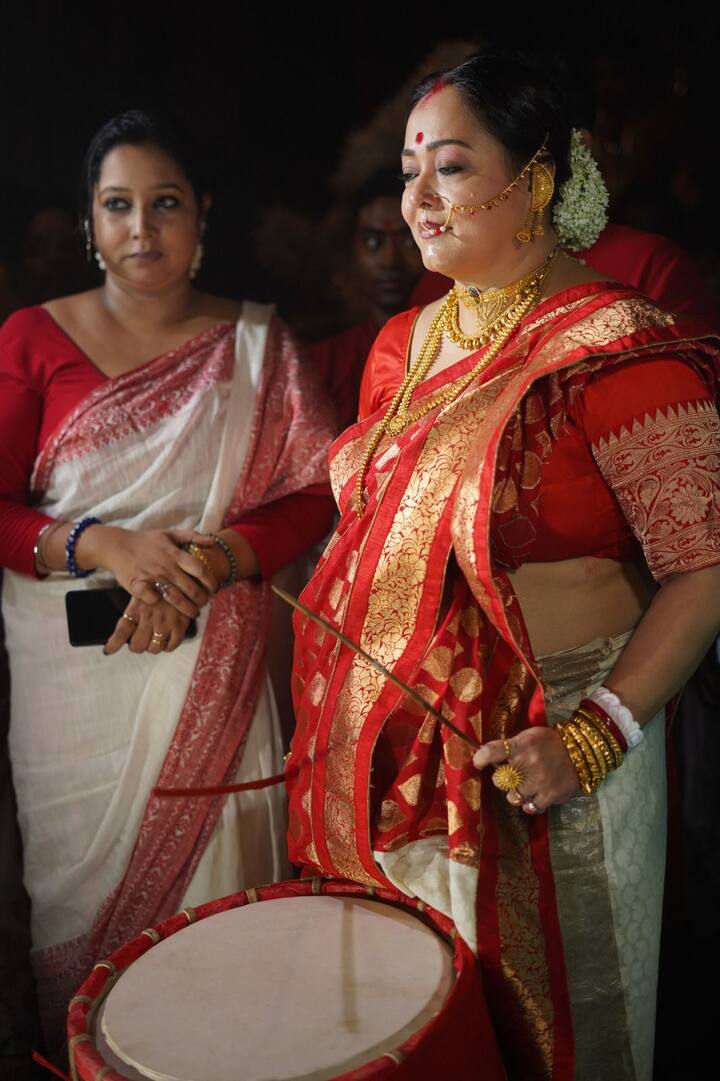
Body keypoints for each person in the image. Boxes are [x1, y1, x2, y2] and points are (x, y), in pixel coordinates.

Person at [286, 49, 720, 1081]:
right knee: (423, 1031)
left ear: (534, 178)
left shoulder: (619, 349)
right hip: (405, 756)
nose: (415, 200)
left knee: (569, 1036)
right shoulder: (407, 342)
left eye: (447, 166)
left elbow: (706, 572)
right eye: (406, 169)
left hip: (556, 750)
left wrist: (594, 734)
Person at [0, 109, 336, 1048]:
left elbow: (318, 491)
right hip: (75, 699)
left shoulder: (260, 349)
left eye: (165, 203)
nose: (140, 228)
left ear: (204, 215)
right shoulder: (30, 339)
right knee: (79, 920)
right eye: (117, 206)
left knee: (231, 942)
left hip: (219, 672)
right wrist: (100, 544)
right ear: (87, 223)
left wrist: (210, 559)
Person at [306, 171, 425, 428]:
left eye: (408, 240)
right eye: (373, 242)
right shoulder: (325, 364)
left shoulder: (460, 348)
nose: (390, 260)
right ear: (350, 252)